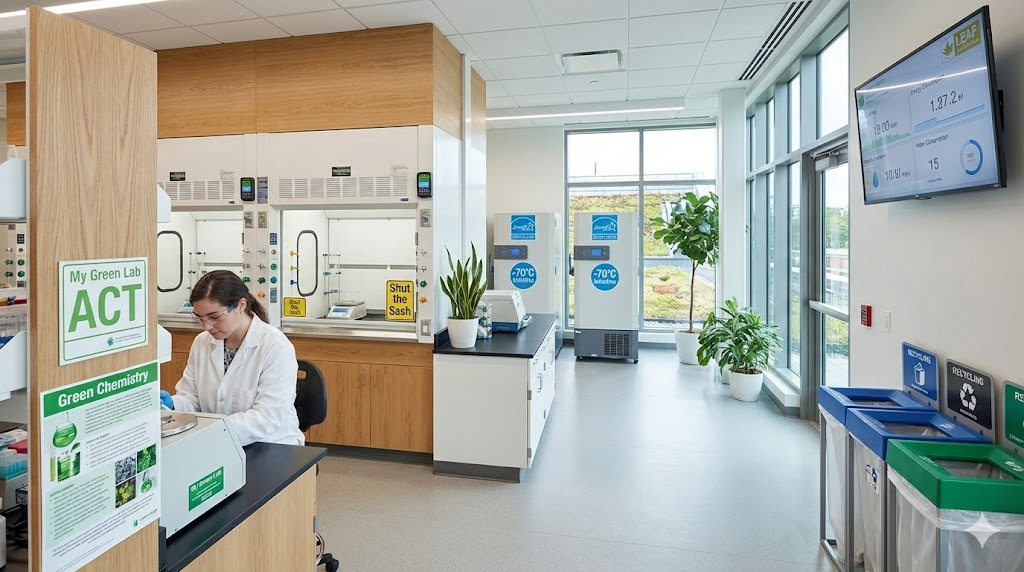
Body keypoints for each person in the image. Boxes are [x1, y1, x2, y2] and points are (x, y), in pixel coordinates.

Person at [160, 270, 304, 447]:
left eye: (214, 317)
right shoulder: (202, 343)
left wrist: (213, 430)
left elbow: (267, 417)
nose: (207, 326)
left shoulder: (275, 346)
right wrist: (173, 405)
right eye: (200, 318)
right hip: (216, 442)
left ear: (241, 305)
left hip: (270, 444)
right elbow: (192, 399)